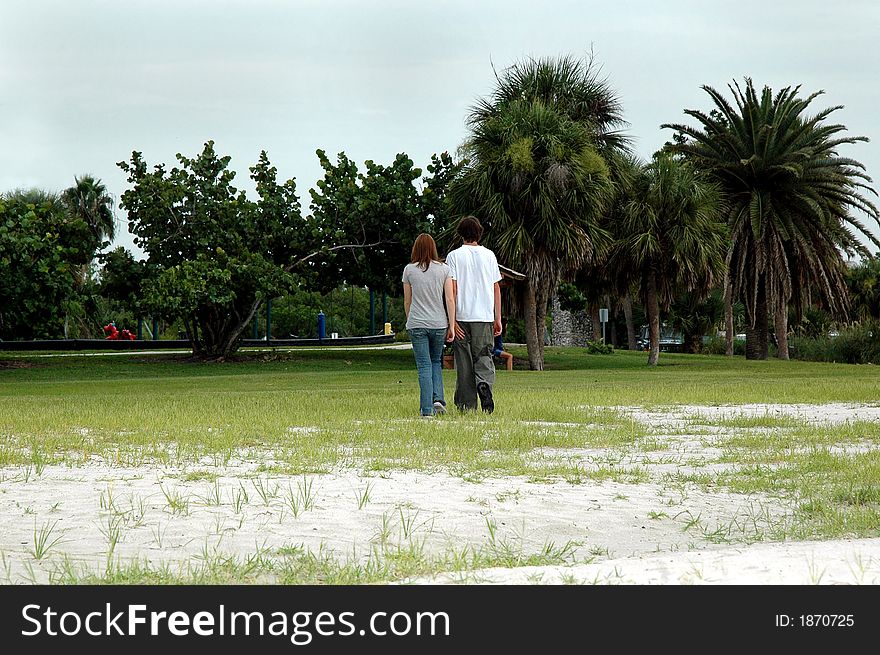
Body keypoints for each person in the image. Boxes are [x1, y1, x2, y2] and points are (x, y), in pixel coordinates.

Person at [446, 216, 502, 413]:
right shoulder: (490, 256)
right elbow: (496, 288)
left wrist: (452, 322)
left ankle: (466, 405)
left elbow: (452, 290)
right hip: (485, 316)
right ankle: (484, 383)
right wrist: (498, 318)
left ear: (461, 233)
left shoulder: (454, 256)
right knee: (484, 356)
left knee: (464, 362)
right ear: (479, 233)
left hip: (462, 316)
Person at [402, 233, 456, 418]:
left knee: (424, 365)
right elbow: (449, 298)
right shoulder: (444, 269)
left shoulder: (409, 270)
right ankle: (438, 399)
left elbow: (407, 301)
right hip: (439, 322)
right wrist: (452, 324)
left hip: (417, 323)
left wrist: (410, 320)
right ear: (433, 248)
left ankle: (426, 410)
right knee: (435, 363)